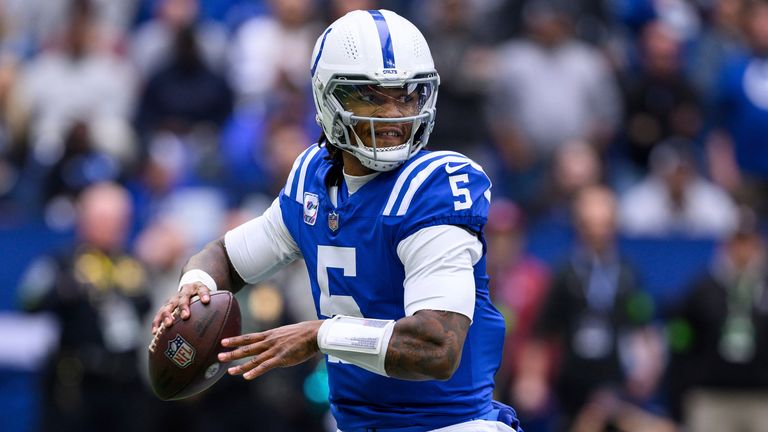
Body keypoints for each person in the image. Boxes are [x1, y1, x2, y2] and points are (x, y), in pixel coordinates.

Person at [152, 9, 521, 432]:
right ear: (328, 98)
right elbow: (227, 257)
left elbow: (437, 346)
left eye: (406, 95)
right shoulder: (313, 178)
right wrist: (195, 286)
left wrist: (319, 335)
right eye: (370, 96)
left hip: (451, 425)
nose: (392, 115)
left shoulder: (433, 187)